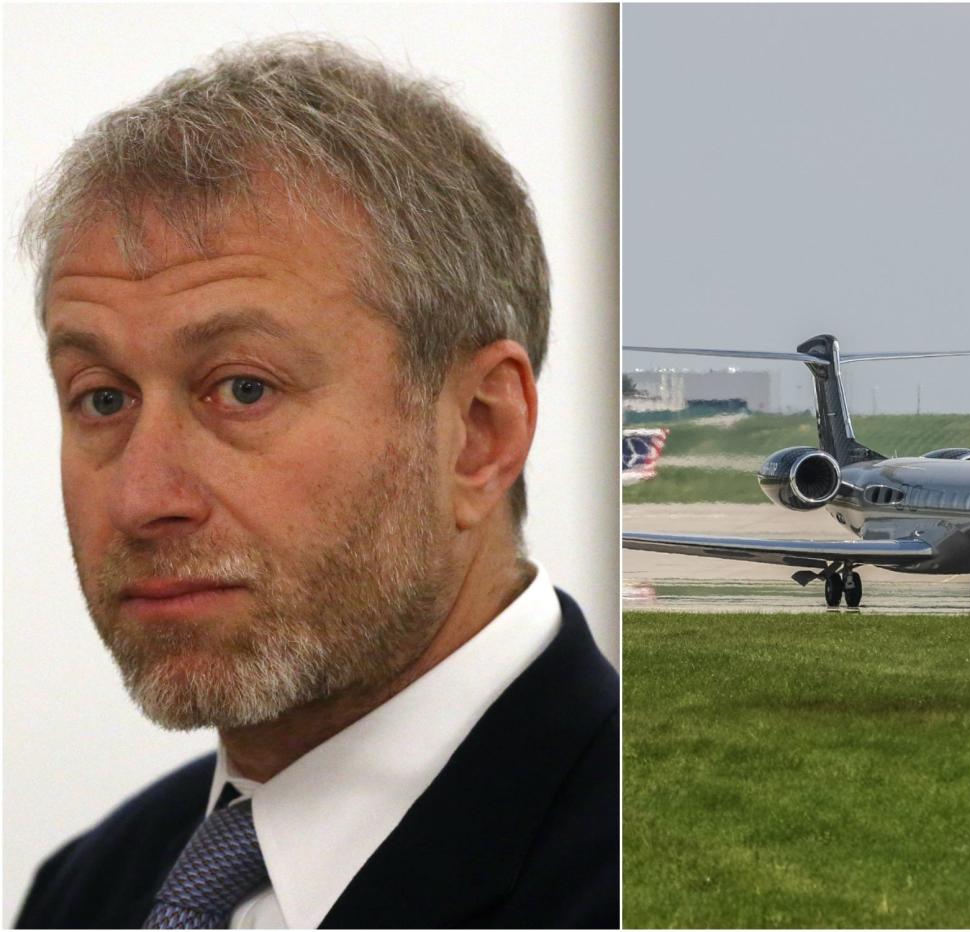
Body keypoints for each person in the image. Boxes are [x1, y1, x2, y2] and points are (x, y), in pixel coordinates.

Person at [15, 36, 618, 929]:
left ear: (480, 433)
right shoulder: (87, 892)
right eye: (102, 399)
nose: (144, 497)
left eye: (243, 389)